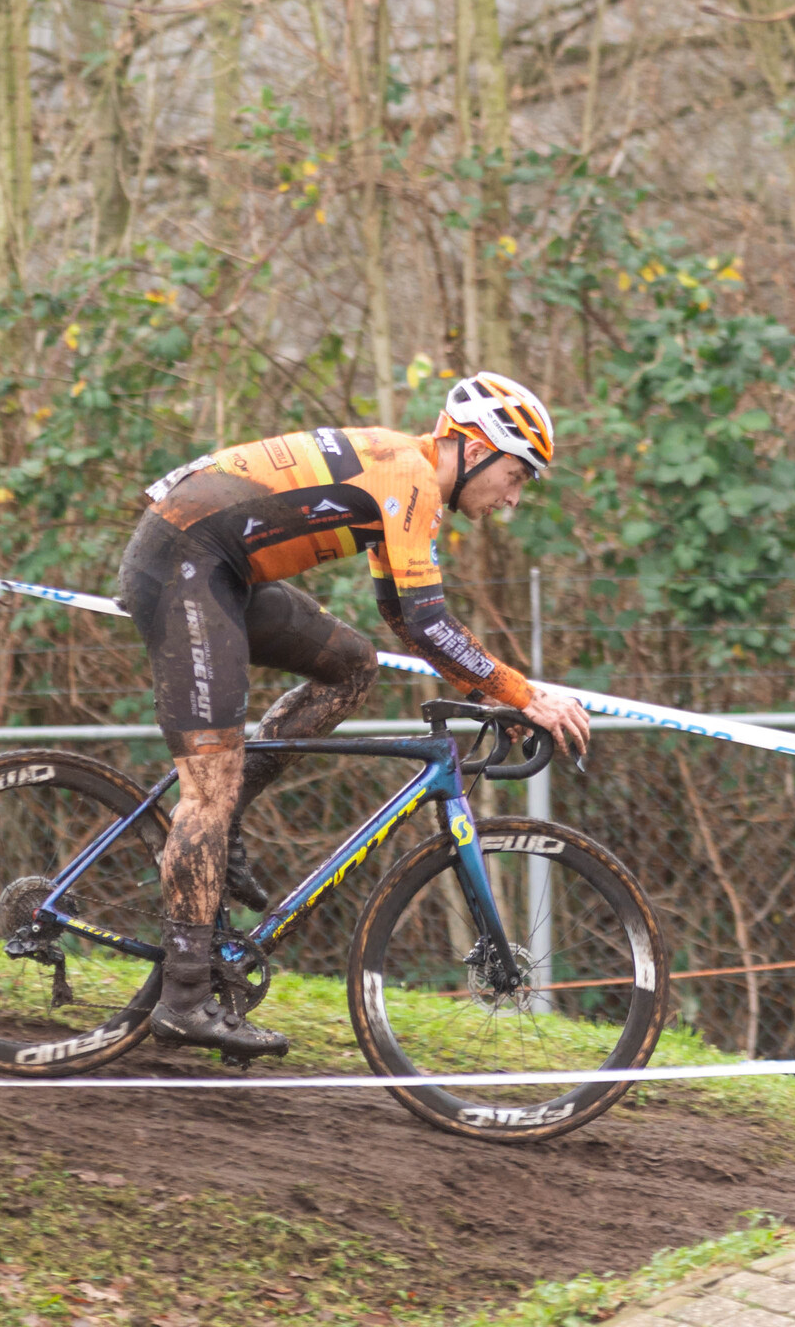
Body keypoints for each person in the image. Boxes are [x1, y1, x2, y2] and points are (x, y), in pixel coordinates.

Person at [116, 371, 593, 1061]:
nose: (513, 498)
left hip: (217, 569)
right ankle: (185, 996)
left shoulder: (402, 482)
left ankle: (229, 820)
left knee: (352, 665)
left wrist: (496, 692)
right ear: (476, 447)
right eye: (516, 475)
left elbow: (403, 616)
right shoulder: (409, 475)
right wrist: (526, 695)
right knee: (207, 787)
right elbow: (430, 626)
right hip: (185, 564)